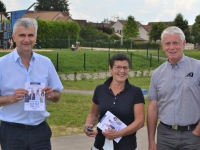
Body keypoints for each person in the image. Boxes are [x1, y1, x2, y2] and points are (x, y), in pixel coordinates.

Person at [0, 18, 63, 150]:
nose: (26, 39)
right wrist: (10, 98)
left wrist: (52, 95)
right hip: (12, 131)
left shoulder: (46, 63)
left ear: (36, 38)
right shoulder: (2, 64)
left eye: (30, 35)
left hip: (40, 130)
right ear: (14, 37)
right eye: (22, 35)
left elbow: (57, 95)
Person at [147, 26, 200, 150]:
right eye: (167, 43)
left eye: (175, 43)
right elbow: (153, 107)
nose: (171, 47)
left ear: (184, 43)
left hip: (192, 135)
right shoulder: (157, 73)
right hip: (165, 136)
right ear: (162, 46)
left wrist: (198, 131)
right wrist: (151, 141)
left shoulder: (197, 68)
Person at [84, 53, 145, 150]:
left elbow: (140, 121)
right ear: (110, 69)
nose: (122, 71)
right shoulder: (100, 89)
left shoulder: (135, 92)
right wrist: (87, 126)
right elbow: (93, 114)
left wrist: (118, 134)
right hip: (100, 145)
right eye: (118, 67)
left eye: (125, 68)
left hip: (127, 146)